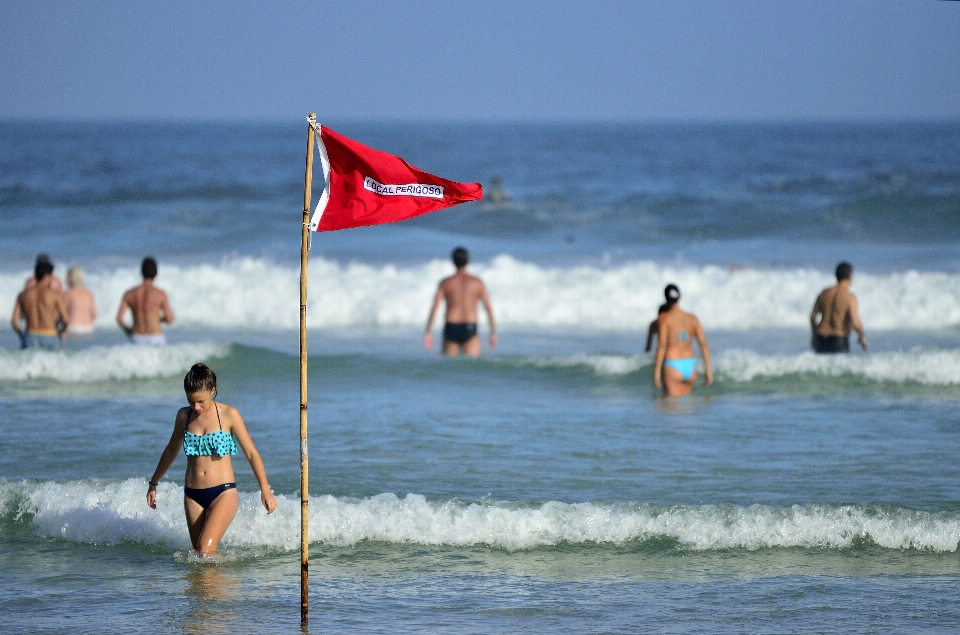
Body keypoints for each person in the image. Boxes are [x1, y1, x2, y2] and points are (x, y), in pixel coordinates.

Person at [146, 363, 277, 555]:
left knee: (205, 550)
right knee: (199, 558)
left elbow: (251, 453)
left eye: (201, 401)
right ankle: (214, 585)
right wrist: (153, 482)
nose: (196, 407)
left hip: (223, 492)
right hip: (192, 495)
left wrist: (265, 490)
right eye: (191, 401)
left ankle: (232, 582)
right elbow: (171, 450)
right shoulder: (184, 416)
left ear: (212, 390)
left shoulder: (229, 414)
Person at [424, 247, 497, 356]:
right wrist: (493, 332)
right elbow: (488, 308)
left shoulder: (446, 283)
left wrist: (428, 331)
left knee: (449, 368)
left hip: (451, 327)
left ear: (453, 261)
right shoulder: (477, 283)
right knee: (472, 368)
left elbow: (435, 307)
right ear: (468, 261)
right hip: (470, 327)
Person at [653, 284, 713, 397]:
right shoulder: (693, 318)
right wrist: (708, 370)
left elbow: (661, 345)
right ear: (680, 297)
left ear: (665, 299)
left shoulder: (665, 319)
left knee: (672, 408)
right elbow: (703, 344)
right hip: (690, 365)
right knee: (687, 406)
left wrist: (656, 373)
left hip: (672, 365)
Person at [810, 261, 867, 353]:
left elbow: (813, 317)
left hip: (821, 338)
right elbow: (855, 321)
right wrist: (862, 336)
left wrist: (814, 336)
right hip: (838, 339)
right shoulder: (850, 297)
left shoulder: (824, 293)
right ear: (850, 277)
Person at [11, 260, 68, 349]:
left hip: (30, 334)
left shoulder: (23, 295)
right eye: (51, 276)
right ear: (46, 276)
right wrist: (60, 331)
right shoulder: (54, 295)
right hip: (49, 334)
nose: (52, 279)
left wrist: (21, 335)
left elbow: (14, 321)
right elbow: (66, 319)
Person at [116, 257, 174, 345]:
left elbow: (119, 318)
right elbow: (170, 319)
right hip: (155, 337)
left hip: (136, 337)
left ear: (141, 272)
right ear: (156, 273)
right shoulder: (160, 294)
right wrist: (159, 318)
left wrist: (128, 332)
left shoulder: (129, 293)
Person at [63, 266, 98, 336]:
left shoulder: (68, 293)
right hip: (88, 328)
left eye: (67, 277)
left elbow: (60, 314)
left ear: (70, 279)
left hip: (72, 327)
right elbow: (94, 314)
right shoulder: (88, 293)